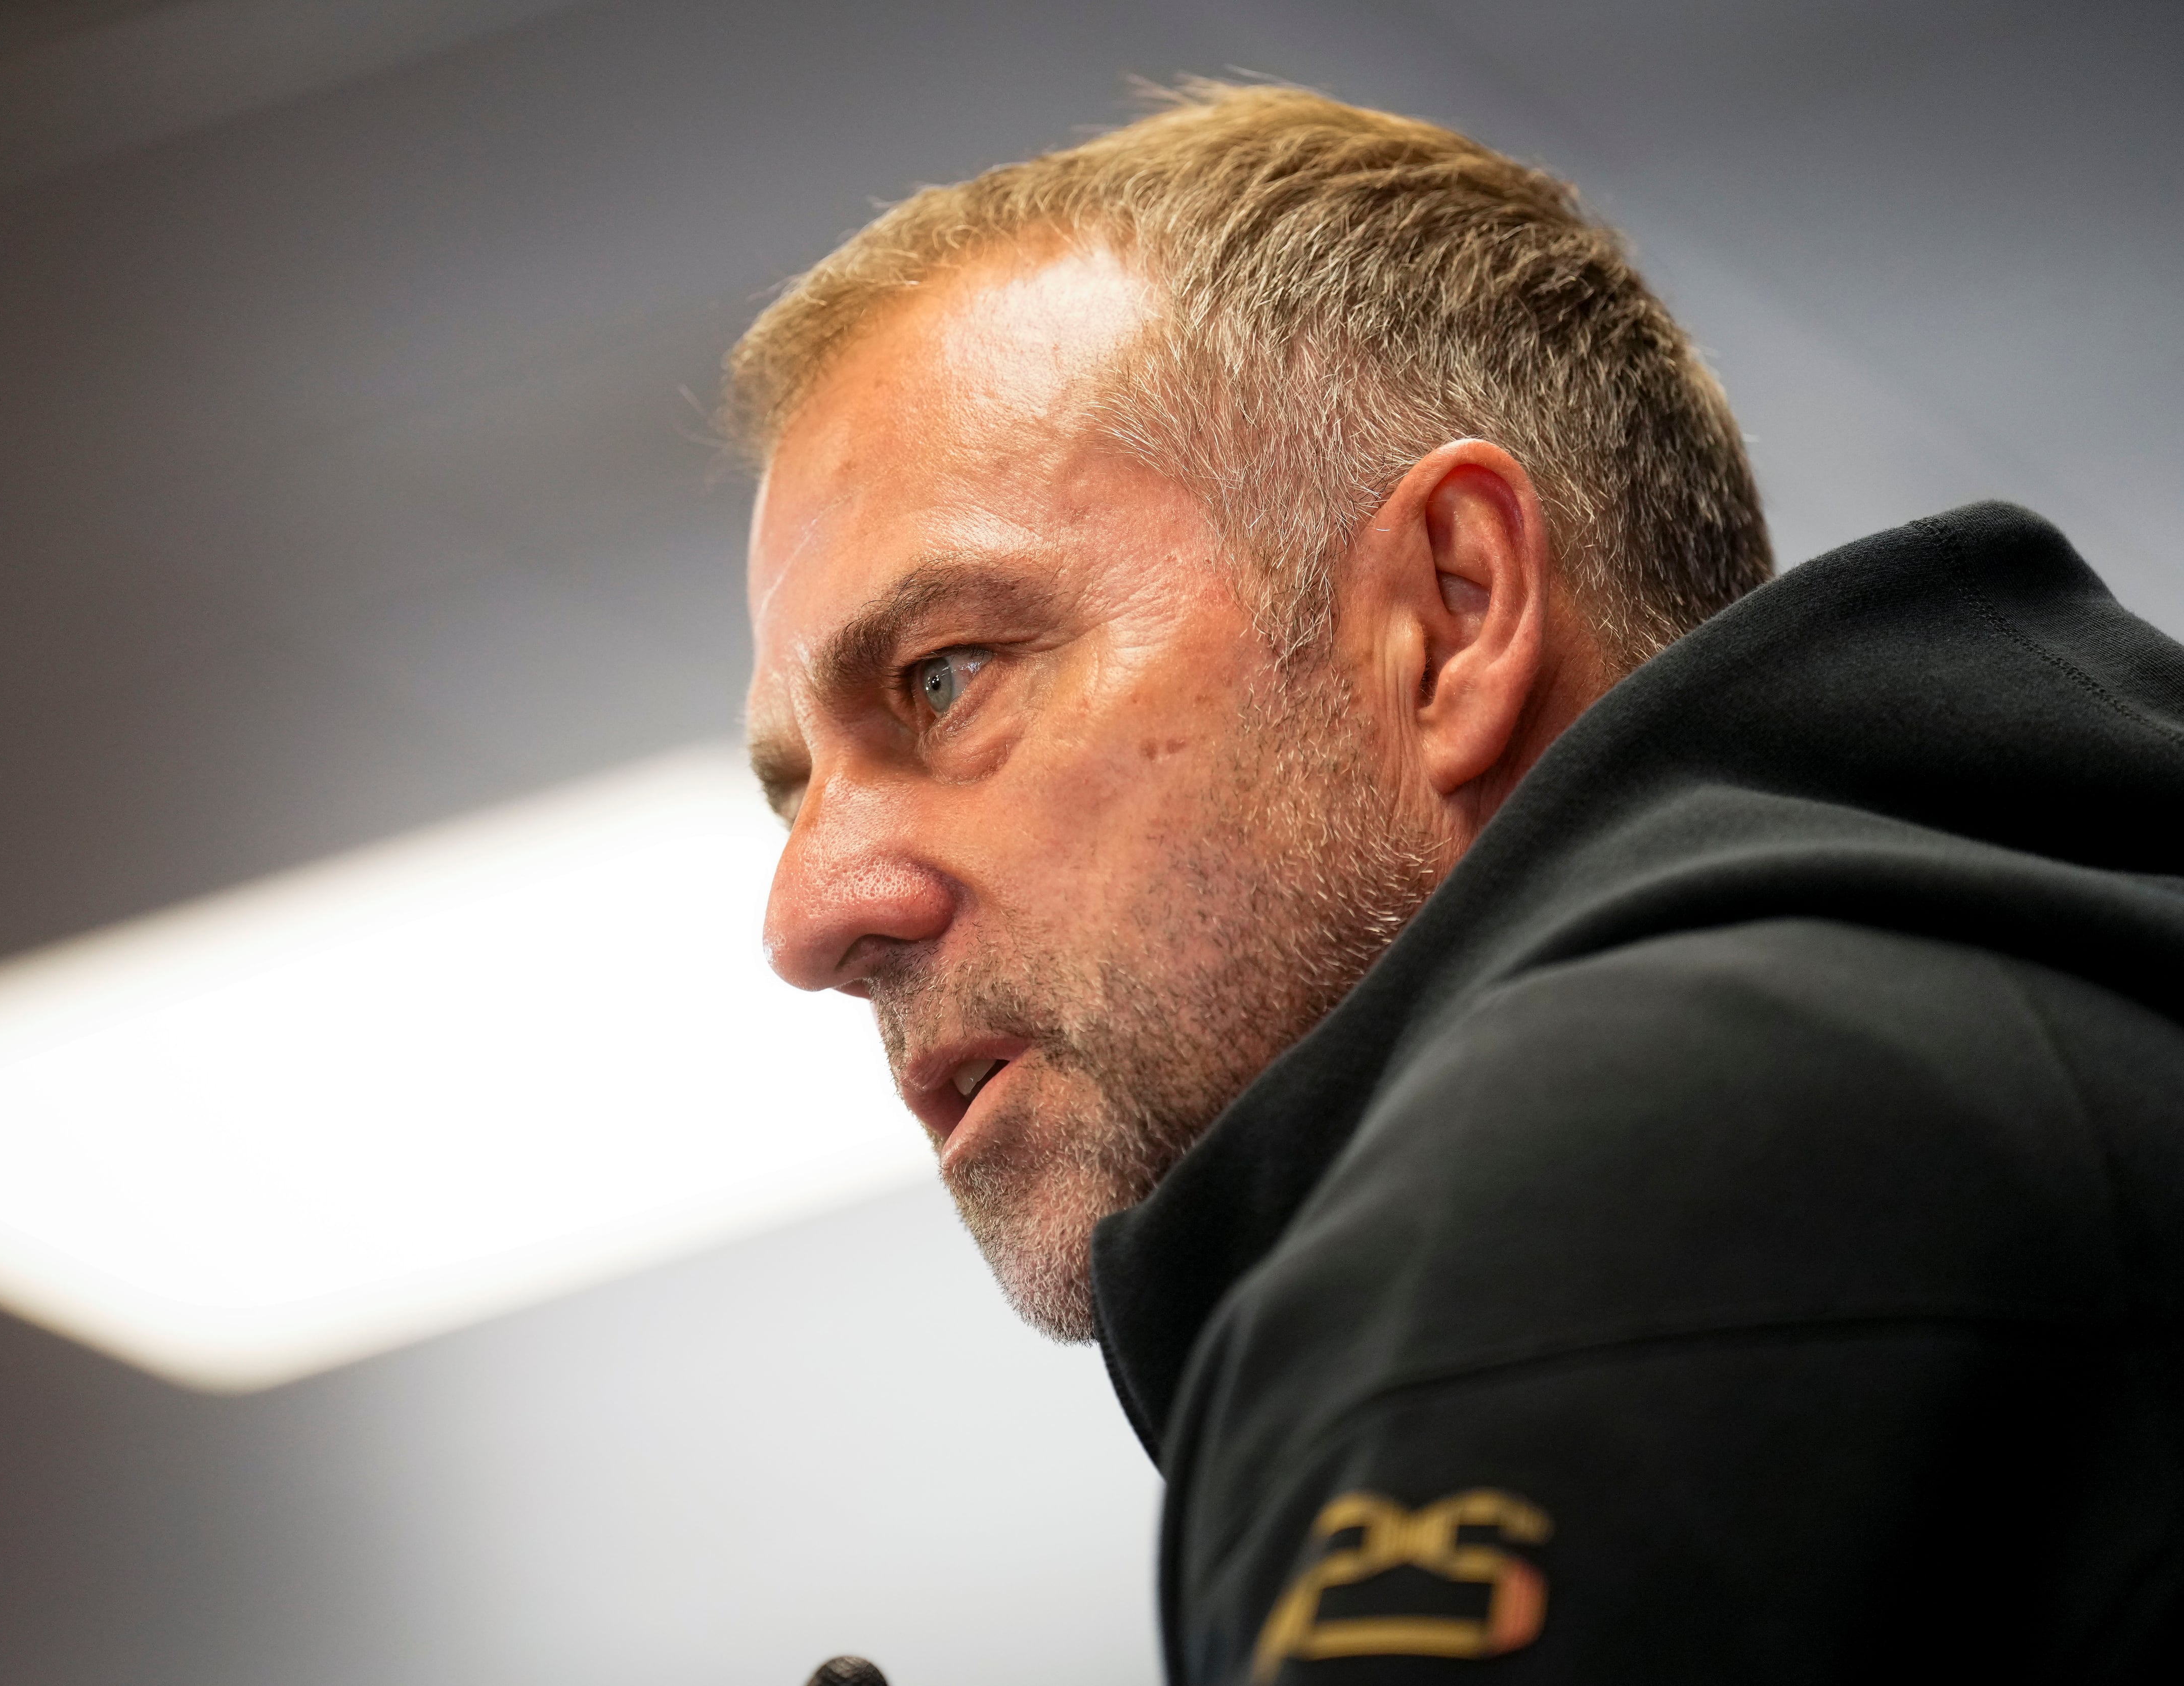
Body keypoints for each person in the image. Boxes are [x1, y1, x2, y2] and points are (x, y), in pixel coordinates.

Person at [732, 83, 2184, 1681]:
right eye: (794, 790)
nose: (809, 916)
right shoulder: (1998, 1036)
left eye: (942, 680)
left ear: (1450, 609)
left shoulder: (1620, 1167)